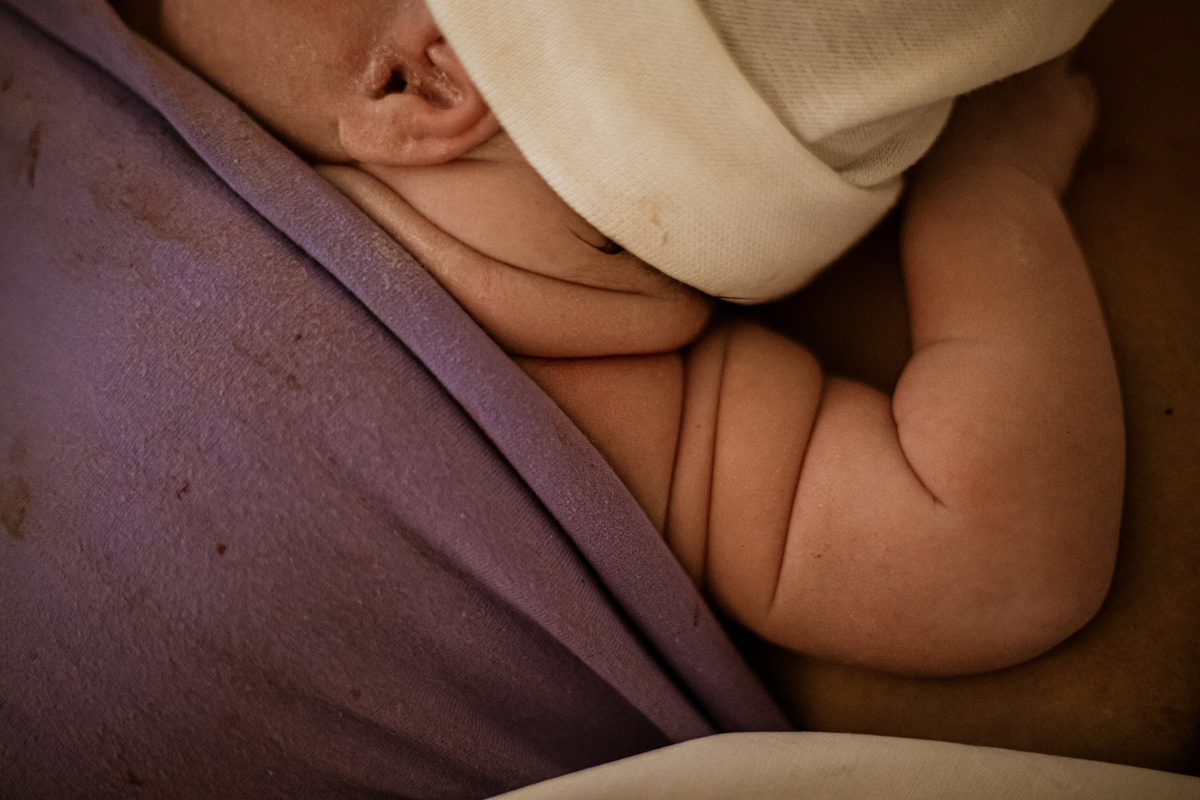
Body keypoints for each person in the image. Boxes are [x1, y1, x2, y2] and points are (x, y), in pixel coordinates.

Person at [138, 0, 1124, 677]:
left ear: (423, 83)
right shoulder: (608, 407)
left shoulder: (613, 409)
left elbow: (999, 561)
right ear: (418, 83)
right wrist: (996, 189)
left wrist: (991, 182)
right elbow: (997, 559)